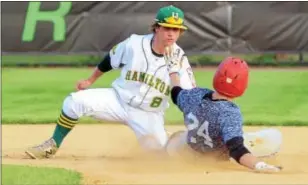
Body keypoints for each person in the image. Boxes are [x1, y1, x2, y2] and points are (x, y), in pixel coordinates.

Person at [25, 5, 196, 159]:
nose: (171, 33)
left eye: (176, 29)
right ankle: (52, 144)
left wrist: (176, 76)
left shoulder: (180, 60)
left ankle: (164, 136)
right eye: (167, 28)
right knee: (74, 101)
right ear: (156, 28)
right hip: (118, 100)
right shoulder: (134, 44)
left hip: (148, 114)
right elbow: (109, 60)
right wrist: (90, 80)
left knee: (159, 156)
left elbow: (188, 96)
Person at [165, 57, 283, 173]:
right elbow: (236, 149)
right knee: (275, 136)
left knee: (178, 136)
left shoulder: (196, 94)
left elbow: (176, 93)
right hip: (215, 161)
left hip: (189, 151)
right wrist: (259, 165)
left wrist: (173, 71)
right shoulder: (229, 113)